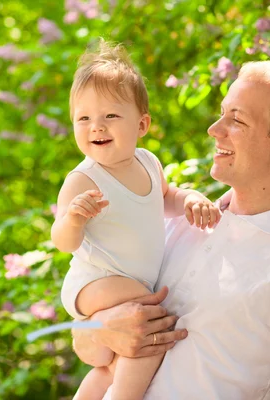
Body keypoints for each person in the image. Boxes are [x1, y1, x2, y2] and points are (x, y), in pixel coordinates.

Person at [69, 59, 270, 400]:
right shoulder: (172, 220)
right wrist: (101, 329)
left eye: (237, 120)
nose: (214, 129)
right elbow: (82, 340)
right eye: (222, 112)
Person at [51, 40, 221, 400]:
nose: (96, 126)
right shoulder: (84, 180)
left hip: (124, 284)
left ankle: (96, 390)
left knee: (110, 364)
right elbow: (62, 242)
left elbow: (164, 199)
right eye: (84, 118)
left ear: (142, 124)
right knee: (151, 326)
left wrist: (189, 197)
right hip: (97, 281)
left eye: (110, 115)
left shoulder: (147, 162)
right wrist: (74, 219)